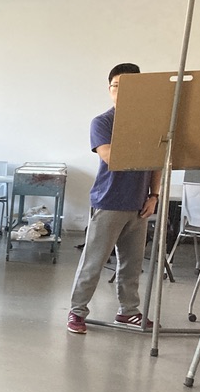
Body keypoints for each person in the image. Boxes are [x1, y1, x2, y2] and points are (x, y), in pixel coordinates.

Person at [67, 62, 161, 334]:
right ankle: (77, 311)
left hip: (139, 204)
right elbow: (109, 156)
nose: (120, 91)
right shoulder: (103, 122)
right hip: (109, 202)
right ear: (109, 89)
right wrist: (143, 142)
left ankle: (128, 311)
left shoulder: (149, 123)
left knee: (132, 265)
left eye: (128, 87)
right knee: (93, 262)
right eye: (116, 86)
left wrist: (154, 195)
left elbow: (157, 162)